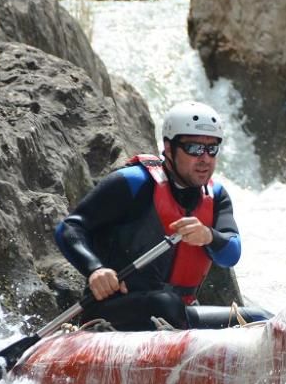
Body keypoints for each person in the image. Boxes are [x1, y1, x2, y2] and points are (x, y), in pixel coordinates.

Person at [55, 100, 270, 330]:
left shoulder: (216, 196)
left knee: (263, 319)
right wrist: (95, 269)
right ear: (169, 148)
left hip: (180, 313)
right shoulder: (134, 182)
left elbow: (231, 254)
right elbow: (70, 228)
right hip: (115, 311)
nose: (205, 158)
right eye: (195, 148)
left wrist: (208, 236)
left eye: (212, 148)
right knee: (165, 304)